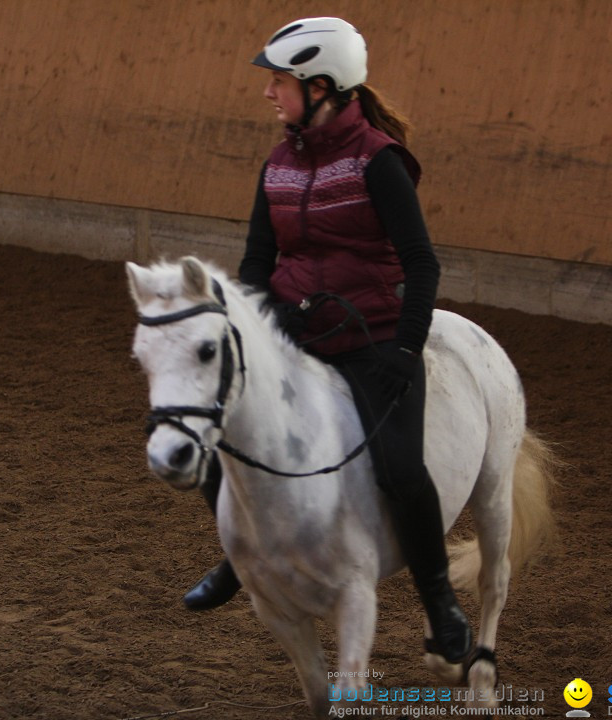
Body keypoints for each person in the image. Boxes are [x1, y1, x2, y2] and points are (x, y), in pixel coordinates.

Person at [182, 16, 473, 664]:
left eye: (278, 81)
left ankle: (439, 601)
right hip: (294, 337)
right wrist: (266, 317)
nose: (268, 93)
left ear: (320, 86)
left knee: (401, 469)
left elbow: (422, 263)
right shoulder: (279, 162)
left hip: (370, 340)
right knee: (212, 428)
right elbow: (256, 261)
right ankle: (237, 558)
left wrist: (404, 348)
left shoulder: (378, 162)